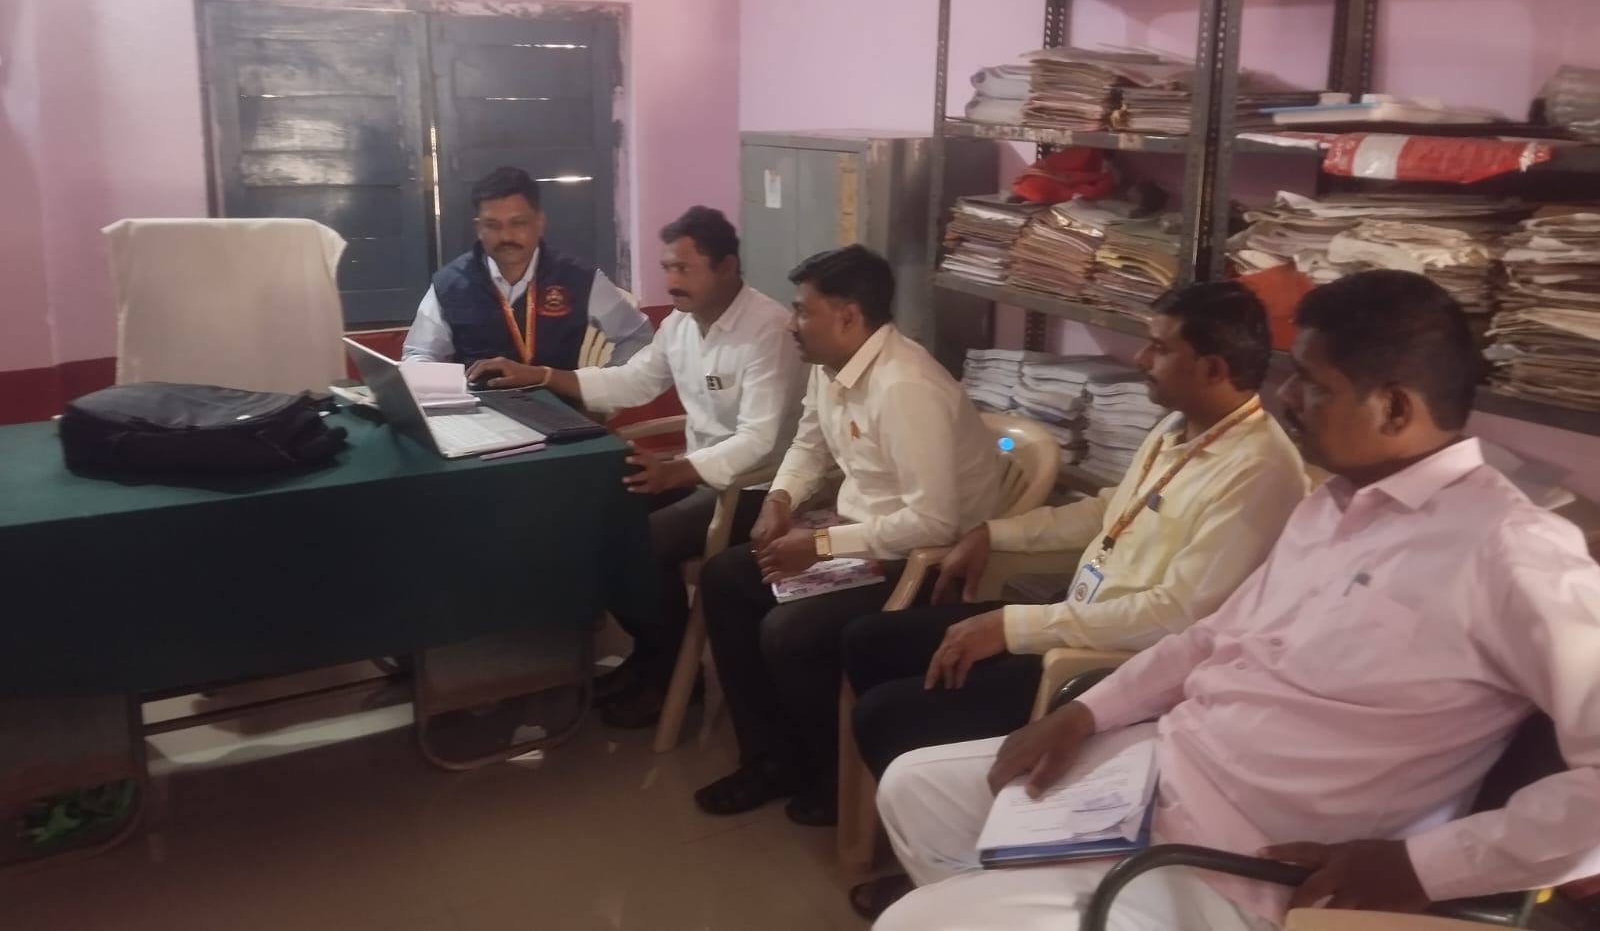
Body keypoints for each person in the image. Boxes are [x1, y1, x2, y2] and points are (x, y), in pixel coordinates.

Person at [872, 269, 1600, 931]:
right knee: (914, 790)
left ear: (1394, 407)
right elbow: (1212, 636)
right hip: (1159, 775)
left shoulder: (1511, 551)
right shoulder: (1331, 506)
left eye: (1313, 383)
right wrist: (1086, 711)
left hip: (1246, 866)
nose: (1286, 397)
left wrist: (1422, 868)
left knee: (915, 924)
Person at [843, 280, 1309, 919]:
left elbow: (1175, 617)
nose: (1141, 359)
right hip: (1073, 619)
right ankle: (919, 837)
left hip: (1102, 663)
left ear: (1212, 368)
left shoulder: (1260, 470)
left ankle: (955, 870)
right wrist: (995, 533)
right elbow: (1106, 513)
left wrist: (1015, 627)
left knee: (886, 713)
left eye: (1159, 348)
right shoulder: (1178, 427)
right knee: (870, 640)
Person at [693, 245, 1007, 826]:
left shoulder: (905, 386)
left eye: (802, 311)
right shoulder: (830, 366)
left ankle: (834, 779)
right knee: (726, 578)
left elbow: (934, 522)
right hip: (858, 537)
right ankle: (772, 758)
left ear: (848, 317)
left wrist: (818, 547)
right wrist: (780, 500)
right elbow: (809, 445)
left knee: (790, 630)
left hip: (924, 561)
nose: (791, 324)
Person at [529, 207, 806, 729]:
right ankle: (650, 654)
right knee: (593, 513)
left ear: (727, 267)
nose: (671, 281)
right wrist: (543, 375)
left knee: (643, 542)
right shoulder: (680, 324)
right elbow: (633, 381)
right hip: (699, 472)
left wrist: (676, 472)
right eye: (667, 268)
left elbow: (759, 441)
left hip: (760, 489)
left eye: (684, 269)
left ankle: (674, 675)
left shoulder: (767, 331)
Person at [401, 166, 651, 376]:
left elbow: (639, 337)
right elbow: (418, 354)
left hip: (559, 409)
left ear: (539, 222)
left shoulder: (578, 278)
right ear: (478, 228)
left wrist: (600, 391)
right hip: (480, 409)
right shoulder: (451, 283)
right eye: (492, 225)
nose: (506, 236)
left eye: (517, 223)